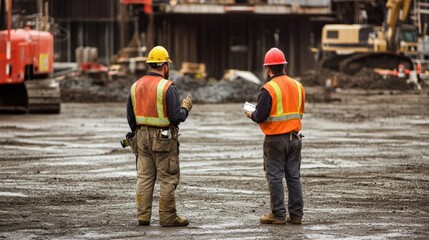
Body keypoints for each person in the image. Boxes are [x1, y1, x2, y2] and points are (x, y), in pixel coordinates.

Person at [126, 46, 193, 227]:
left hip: (140, 137)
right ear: (164, 66)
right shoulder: (167, 87)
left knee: (144, 177)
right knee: (168, 177)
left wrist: (139, 134)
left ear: (150, 65)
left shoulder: (135, 86)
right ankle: (167, 217)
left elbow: (130, 117)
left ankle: (143, 216)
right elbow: (176, 117)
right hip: (163, 138)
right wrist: (186, 107)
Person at [244, 47, 305, 225]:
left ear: (268, 69)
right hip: (295, 137)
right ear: (284, 66)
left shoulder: (269, 89)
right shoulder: (298, 86)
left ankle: (278, 214)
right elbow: (299, 112)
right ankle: (296, 215)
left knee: (275, 176)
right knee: (293, 177)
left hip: (275, 140)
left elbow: (260, 116)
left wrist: (250, 114)